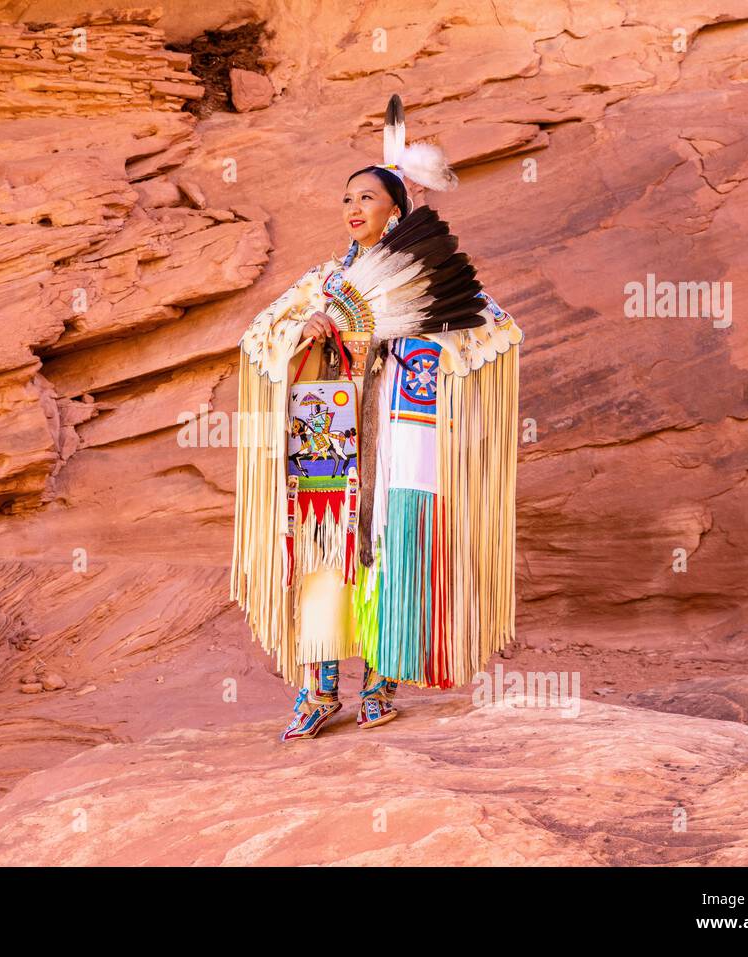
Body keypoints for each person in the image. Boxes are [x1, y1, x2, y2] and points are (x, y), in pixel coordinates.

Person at [230, 95, 524, 741]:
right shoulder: (324, 280)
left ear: (397, 208)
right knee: (324, 543)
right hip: (329, 430)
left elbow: (490, 330)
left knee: (388, 540)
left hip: (395, 432)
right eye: (346, 199)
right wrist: (300, 336)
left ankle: (381, 681)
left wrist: (415, 345)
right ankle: (318, 687)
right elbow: (261, 335)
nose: (353, 209)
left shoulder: (426, 277)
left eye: (366, 197)